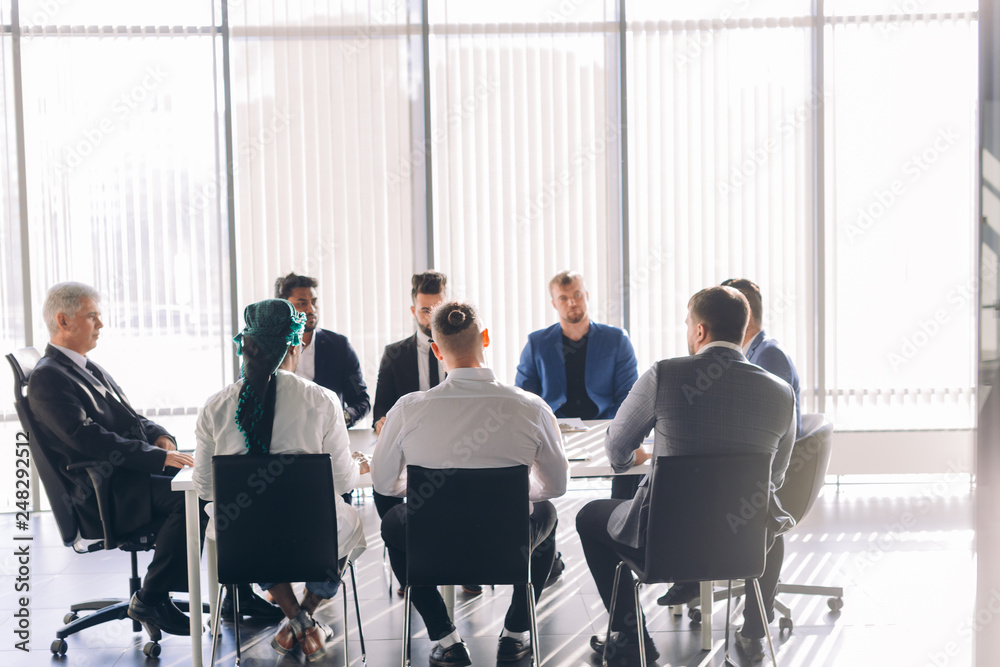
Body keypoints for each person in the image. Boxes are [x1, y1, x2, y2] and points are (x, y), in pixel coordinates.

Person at [576, 286, 796, 664]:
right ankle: (752, 633)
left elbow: (616, 449)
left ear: (699, 331)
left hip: (663, 545)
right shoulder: (780, 393)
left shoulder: (665, 374)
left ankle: (631, 637)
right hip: (741, 546)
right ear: (744, 331)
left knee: (587, 517)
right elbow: (774, 479)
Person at [372, 301, 569, 666]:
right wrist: (512, 494)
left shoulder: (407, 409)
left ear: (435, 349)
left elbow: (384, 484)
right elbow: (556, 485)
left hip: (433, 545)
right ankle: (515, 634)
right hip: (507, 546)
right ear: (486, 338)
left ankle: (446, 640)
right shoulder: (532, 407)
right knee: (548, 512)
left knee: (392, 523)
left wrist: (423, 489)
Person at [26, 282, 205, 637]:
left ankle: (236, 594)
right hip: (104, 493)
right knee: (193, 497)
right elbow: (87, 439)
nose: (100, 324)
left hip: (125, 479)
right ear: (63, 320)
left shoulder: (85, 366)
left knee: (208, 484)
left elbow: (129, 418)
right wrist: (158, 459)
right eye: (92, 316)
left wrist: (160, 437)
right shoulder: (48, 377)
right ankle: (151, 598)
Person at [193, 299, 367, 662]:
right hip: (312, 536)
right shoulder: (322, 400)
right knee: (349, 525)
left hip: (245, 542)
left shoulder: (215, 406)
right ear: (296, 344)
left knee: (243, 525)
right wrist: (358, 466)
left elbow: (208, 489)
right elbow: (342, 481)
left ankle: (295, 623)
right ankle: (306, 618)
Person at [515, 270, 641, 499]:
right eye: (563, 298)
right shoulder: (537, 343)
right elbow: (525, 396)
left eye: (577, 294)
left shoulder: (616, 340)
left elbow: (629, 394)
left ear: (587, 295)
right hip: (554, 431)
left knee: (633, 469)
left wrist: (612, 428)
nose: (572, 302)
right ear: (554, 303)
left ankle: (621, 520)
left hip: (604, 427)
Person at [274, 272, 370, 428]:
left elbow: (361, 400)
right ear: (283, 307)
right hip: (282, 437)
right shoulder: (268, 347)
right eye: (302, 303)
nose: (311, 309)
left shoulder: (339, 346)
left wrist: (341, 418)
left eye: (314, 302)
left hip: (327, 438)